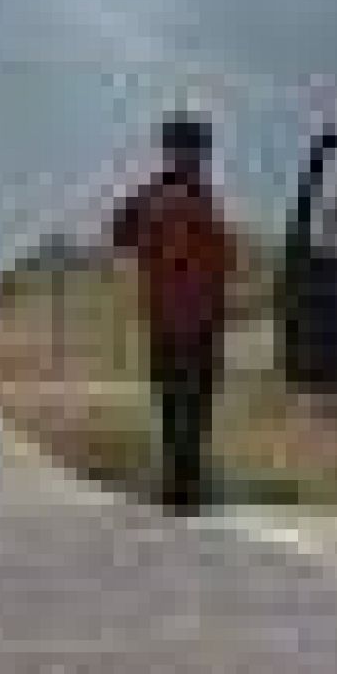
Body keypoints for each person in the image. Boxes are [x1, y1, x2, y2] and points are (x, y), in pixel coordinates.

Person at [109, 113, 237, 514]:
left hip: (171, 319)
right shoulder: (194, 200)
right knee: (191, 405)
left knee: (174, 403)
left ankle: (180, 485)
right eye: (197, 150)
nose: (200, 158)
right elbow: (219, 259)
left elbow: (122, 236)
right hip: (194, 321)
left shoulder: (158, 197)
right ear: (190, 152)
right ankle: (185, 487)